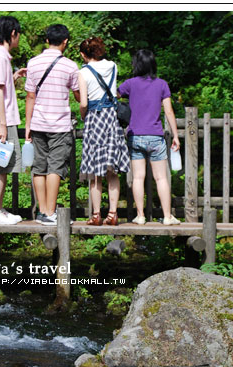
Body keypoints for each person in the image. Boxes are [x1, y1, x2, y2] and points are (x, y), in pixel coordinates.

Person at [118, 49, 181, 225]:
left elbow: (113, 96)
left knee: (138, 177)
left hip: (135, 136)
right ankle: (167, 216)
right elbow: (168, 110)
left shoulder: (129, 84)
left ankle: (140, 216)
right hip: (155, 136)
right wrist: (175, 135)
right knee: (161, 177)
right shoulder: (162, 84)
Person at [25, 24, 80, 225]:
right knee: (55, 168)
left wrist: (28, 124)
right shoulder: (70, 66)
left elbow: (30, 96)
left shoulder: (33, 63)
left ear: (47, 40)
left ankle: (42, 212)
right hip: (60, 125)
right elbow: (77, 94)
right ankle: (50, 212)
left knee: (39, 167)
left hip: (38, 123)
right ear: (65, 42)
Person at [78, 37, 130, 226]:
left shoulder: (83, 72)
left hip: (94, 117)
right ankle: (113, 214)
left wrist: (83, 115)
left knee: (95, 172)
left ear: (84, 54)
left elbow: (83, 102)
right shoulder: (113, 66)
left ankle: (96, 215)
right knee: (112, 170)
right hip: (111, 118)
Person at [0, 16, 26, 225]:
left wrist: (14, 76)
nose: (19, 38)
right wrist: (2, 124)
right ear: (12, 34)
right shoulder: (0, 58)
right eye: (18, 34)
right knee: (1, 166)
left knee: (4, 166)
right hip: (2, 121)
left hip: (1, 120)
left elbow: (1, 85)